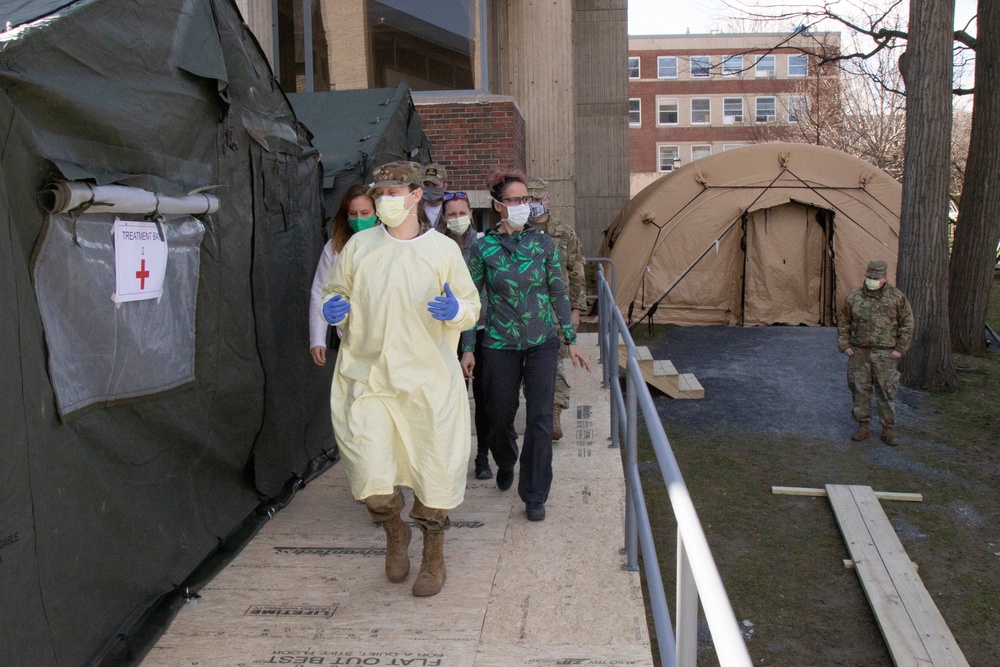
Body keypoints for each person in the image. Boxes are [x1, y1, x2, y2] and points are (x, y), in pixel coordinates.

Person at [321, 161, 481, 597]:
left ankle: (433, 553)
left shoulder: (443, 251)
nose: (385, 200)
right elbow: (337, 291)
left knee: (433, 472)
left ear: (415, 196)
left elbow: (471, 304)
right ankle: (396, 532)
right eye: (380, 193)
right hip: (368, 378)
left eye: (394, 192)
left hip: (428, 382)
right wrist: (334, 308)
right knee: (370, 476)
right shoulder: (359, 247)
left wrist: (459, 313)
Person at [463, 169, 591, 523]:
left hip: (541, 343)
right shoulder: (483, 247)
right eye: (515, 199)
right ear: (498, 205)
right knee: (499, 415)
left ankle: (534, 493)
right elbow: (472, 301)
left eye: (526, 199)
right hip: (500, 343)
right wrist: (469, 348)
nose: (523, 205)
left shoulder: (544, 244)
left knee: (539, 418)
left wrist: (571, 338)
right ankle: (505, 459)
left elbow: (557, 292)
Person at [526, 177, 588, 441]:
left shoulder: (564, 233)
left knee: (554, 361)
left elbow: (576, 272)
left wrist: (576, 310)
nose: (532, 204)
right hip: (525, 309)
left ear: (547, 199)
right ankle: (536, 411)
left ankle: (553, 413)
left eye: (537, 199)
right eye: (527, 199)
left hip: (555, 310)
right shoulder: (515, 231)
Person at [440, 191, 492, 479]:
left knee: (484, 398)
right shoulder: (437, 246)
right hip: (449, 333)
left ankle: (482, 456)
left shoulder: (484, 244)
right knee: (451, 400)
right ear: (444, 218)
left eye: (462, 212)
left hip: (483, 329)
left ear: (471, 214)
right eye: (452, 214)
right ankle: (450, 459)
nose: (458, 218)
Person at [837, 260, 914, 446]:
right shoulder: (854, 297)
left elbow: (907, 324)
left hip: (885, 354)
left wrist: (899, 349)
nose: (872, 280)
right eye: (869, 277)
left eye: (876, 278)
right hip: (859, 352)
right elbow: (844, 322)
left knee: (886, 391)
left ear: (885, 278)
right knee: (859, 389)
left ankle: (888, 430)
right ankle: (863, 427)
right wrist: (844, 345)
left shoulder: (896, 298)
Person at [309, 184, 376, 366]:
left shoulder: (389, 243)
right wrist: (317, 338)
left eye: (365, 212)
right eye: (352, 214)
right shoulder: (335, 246)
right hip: (348, 340)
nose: (358, 219)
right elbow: (319, 291)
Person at [420, 163, 447, 228]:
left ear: (445, 186)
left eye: (435, 185)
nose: (430, 188)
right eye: (426, 185)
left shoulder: (452, 209)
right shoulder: (414, 209)